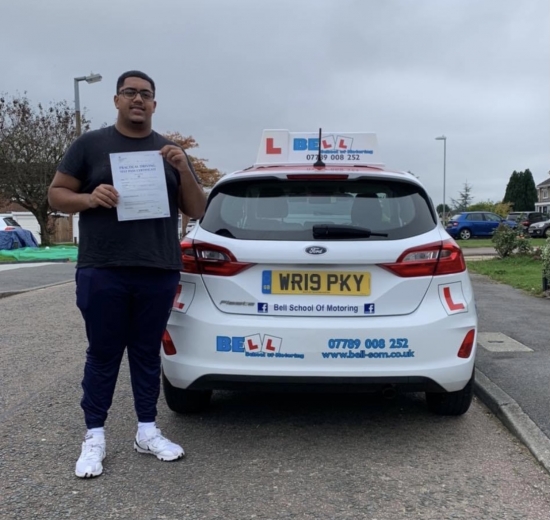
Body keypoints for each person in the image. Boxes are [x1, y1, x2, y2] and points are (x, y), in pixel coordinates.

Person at [48, 70, 206, 478]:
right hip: (103, 267)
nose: (139, 99)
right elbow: (56, 194)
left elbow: (198, 209)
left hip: (157, 267)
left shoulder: (170, 151)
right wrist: (88, 197)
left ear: (155, 104)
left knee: (145, 352)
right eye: (130, 93)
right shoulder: (90, 145)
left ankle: (147, 431)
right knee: (103, 353)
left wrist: (183, 168)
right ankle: (95, 436)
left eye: (146, 94)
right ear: (117, 100)